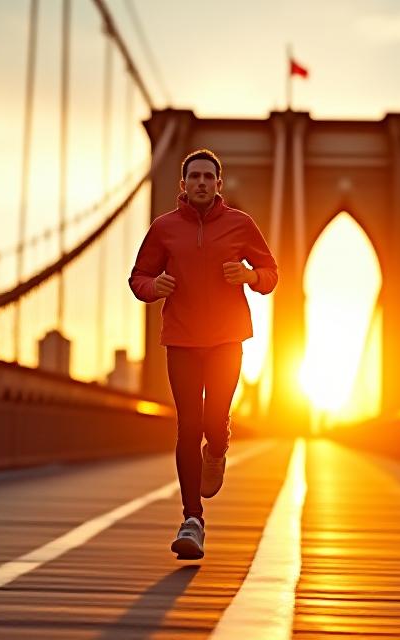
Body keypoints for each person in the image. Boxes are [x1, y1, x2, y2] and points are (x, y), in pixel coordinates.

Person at [128, 149, 278, 560]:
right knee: (188, 425)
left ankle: (219, 447)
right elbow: (138, 276)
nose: (201, 183)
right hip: (181, 341)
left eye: (208, 177)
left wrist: (249, 276)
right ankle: (192, 519)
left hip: (228, 340)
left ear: (218, 184)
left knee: (213, 421)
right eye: (194, 176)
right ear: (183, 185)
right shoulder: (164, 228)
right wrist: (152, 287)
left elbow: (270, 275)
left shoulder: (240, 225)